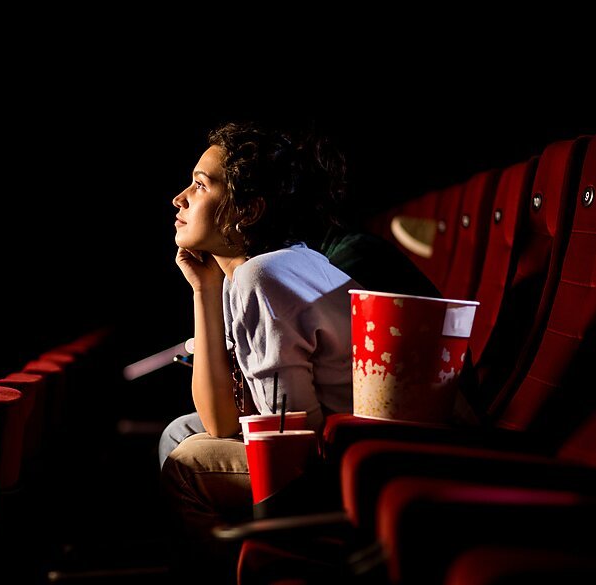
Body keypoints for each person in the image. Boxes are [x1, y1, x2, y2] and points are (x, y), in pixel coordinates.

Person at [157, 121, 443, 581]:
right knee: (180, 431)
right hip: (342, 442)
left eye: (201, 185)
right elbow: (221, 420)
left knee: (185, 464)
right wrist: (204, 291)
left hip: (359, 458)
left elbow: (291, 436)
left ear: (247, 211)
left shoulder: (262, 278)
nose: (180, 198)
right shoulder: (258, 270)